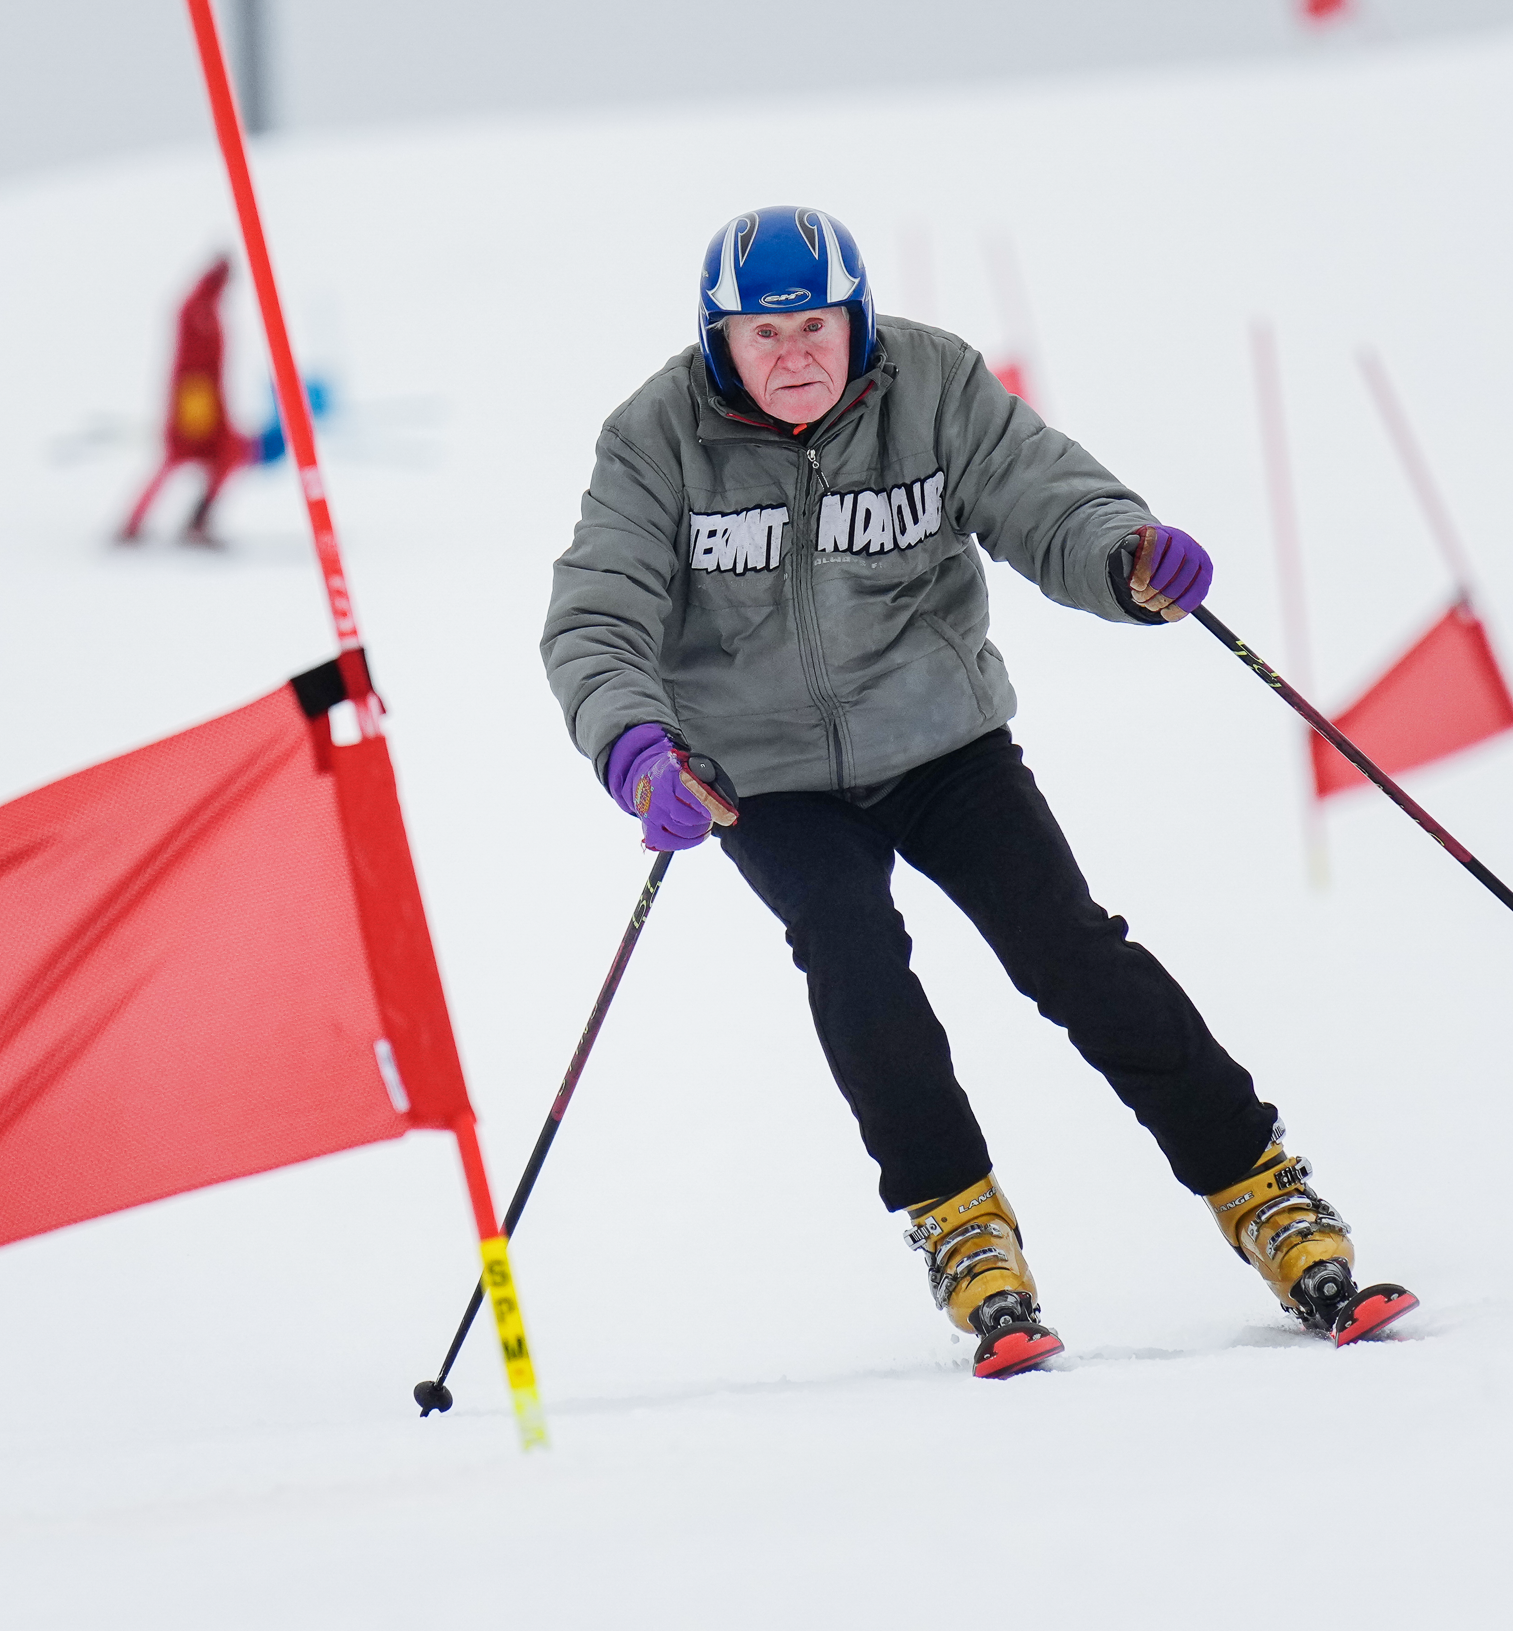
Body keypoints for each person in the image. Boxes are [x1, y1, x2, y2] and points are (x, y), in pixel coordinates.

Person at [542, 206, 1416, 1379]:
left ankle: (1264, 1192)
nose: (794, 353)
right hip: (765, 777)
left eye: (814, 325)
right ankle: (962, 1230)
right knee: (851, 954)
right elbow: (598, 614)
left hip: (938, 738)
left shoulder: (931, 382)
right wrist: (638, 749)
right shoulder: (655, 437)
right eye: (763, 333)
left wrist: (1125, 553)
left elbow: (1040, 493)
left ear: (854, 320)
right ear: (718, 342)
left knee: (1068, 949)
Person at [120, 257, 249, 546]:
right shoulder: (198, 308)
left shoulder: (205, 307)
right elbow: (195, 364)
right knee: (186, 457)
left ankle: (193, 521)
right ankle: (140, 524)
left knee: (224, 456)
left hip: (205, 397)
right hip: (196, 400)